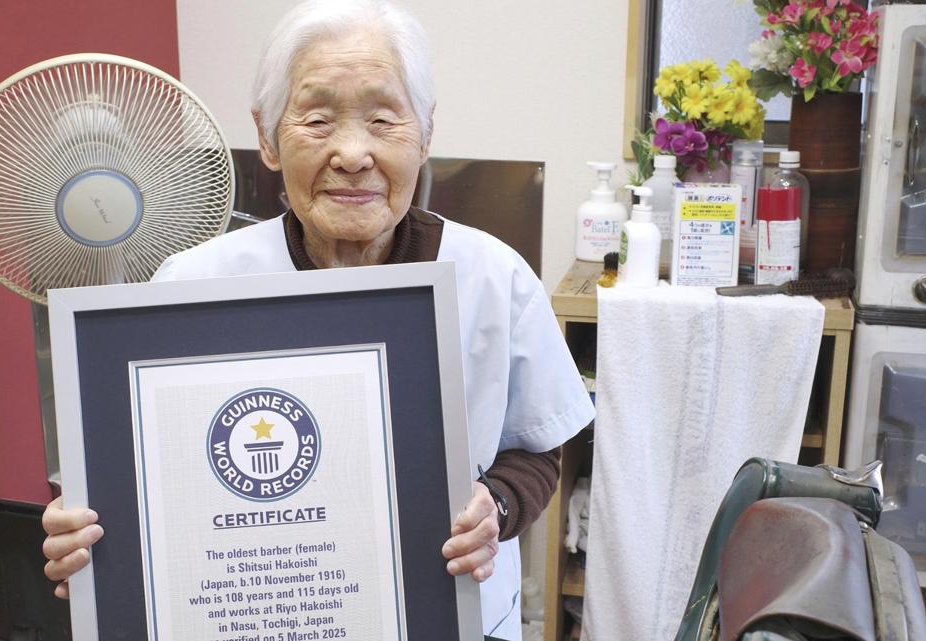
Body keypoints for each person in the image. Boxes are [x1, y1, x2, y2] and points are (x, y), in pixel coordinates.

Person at [41, 1, 594, 638]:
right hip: (251, 616)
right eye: (318, 118)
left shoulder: (494, 277)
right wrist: (88, 540)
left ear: (426, 131)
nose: (352, 153)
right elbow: (147, 482)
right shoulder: (191, 287)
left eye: (383, 118)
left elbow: (537, 447)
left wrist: (494, 507)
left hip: (449, 615)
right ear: (269, 136)